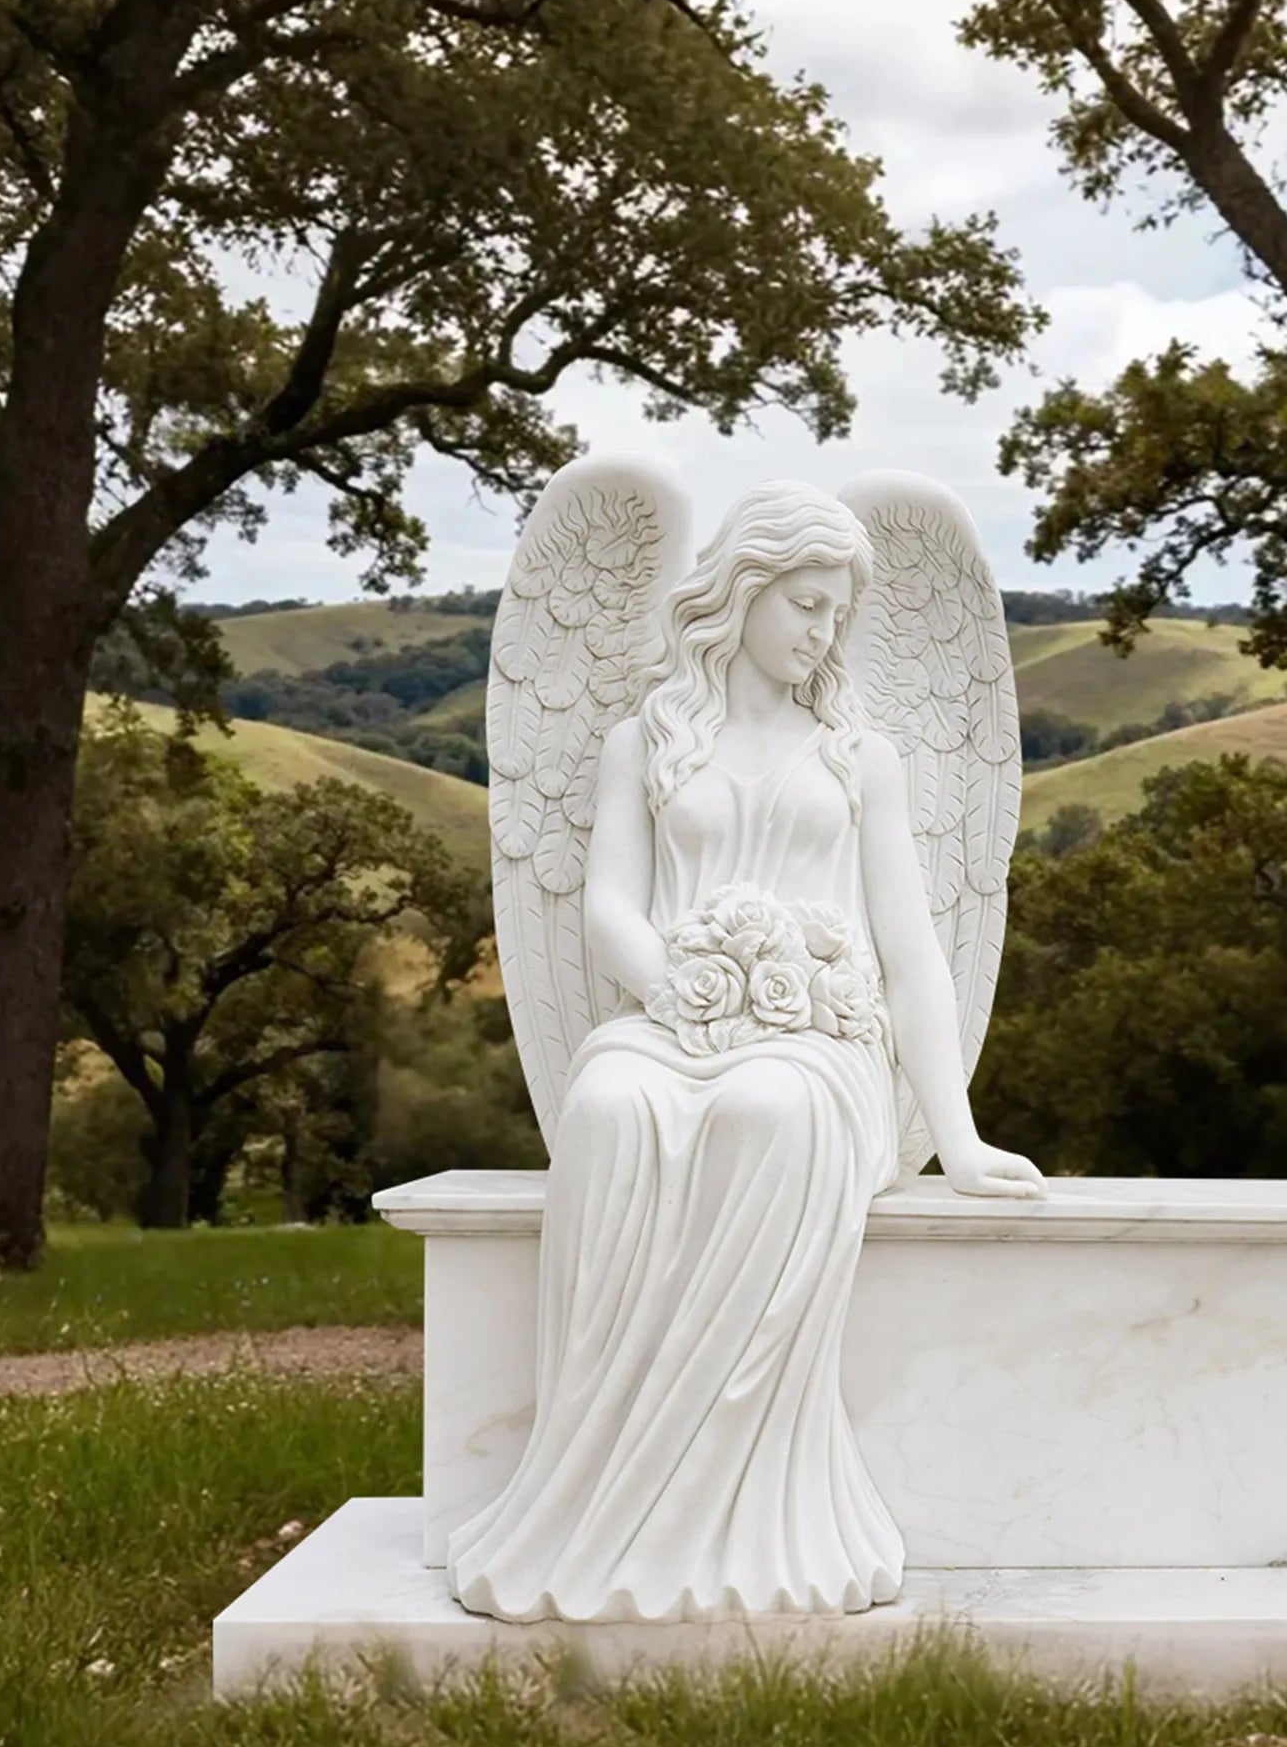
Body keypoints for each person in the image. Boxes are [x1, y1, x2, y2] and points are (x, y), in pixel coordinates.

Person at [446, 479, 1044, 1623]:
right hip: (673, 1017)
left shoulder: (857, 755)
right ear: (743, 591)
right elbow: (605, 909)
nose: (822, 631)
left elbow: (911, 948)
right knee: (608, 1106)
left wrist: (956, 1137)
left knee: (767, 1110)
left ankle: (742, 1516)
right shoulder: (647, 739)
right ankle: (585, 1501)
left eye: (836, 612)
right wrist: (679, 977)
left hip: (816, 1041)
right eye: (805, 604)